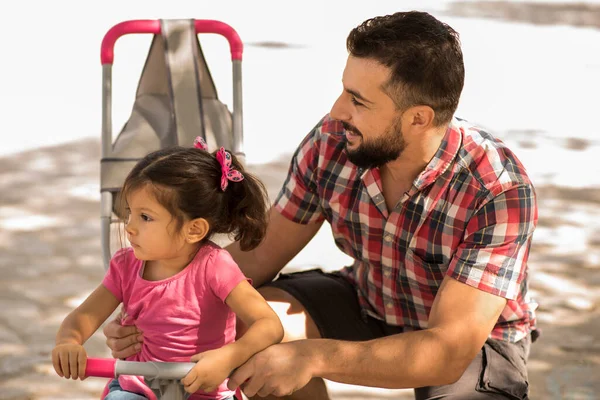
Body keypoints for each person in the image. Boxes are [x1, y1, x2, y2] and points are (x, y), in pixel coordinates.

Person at [103, 10, 539, 400]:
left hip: (471, 340)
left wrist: (311, 357)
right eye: (344, 91)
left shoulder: (497, 189)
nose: (336, 111)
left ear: (419, 118)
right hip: (368, 299)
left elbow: (444, 351)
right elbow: (261, 255)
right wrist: (157, 311)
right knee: (244, 329)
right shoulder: (332, 141)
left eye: (359, 101)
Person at [52, 138, 284, 400]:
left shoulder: (214, 266)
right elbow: (82, 317)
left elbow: (269, 325)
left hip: (205, 391)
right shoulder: (126, 267)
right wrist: (68, 342)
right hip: (138, 388)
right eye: (130, 213)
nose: (130, 226)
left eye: (146, 217)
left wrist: (229, 356)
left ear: (193, 229)